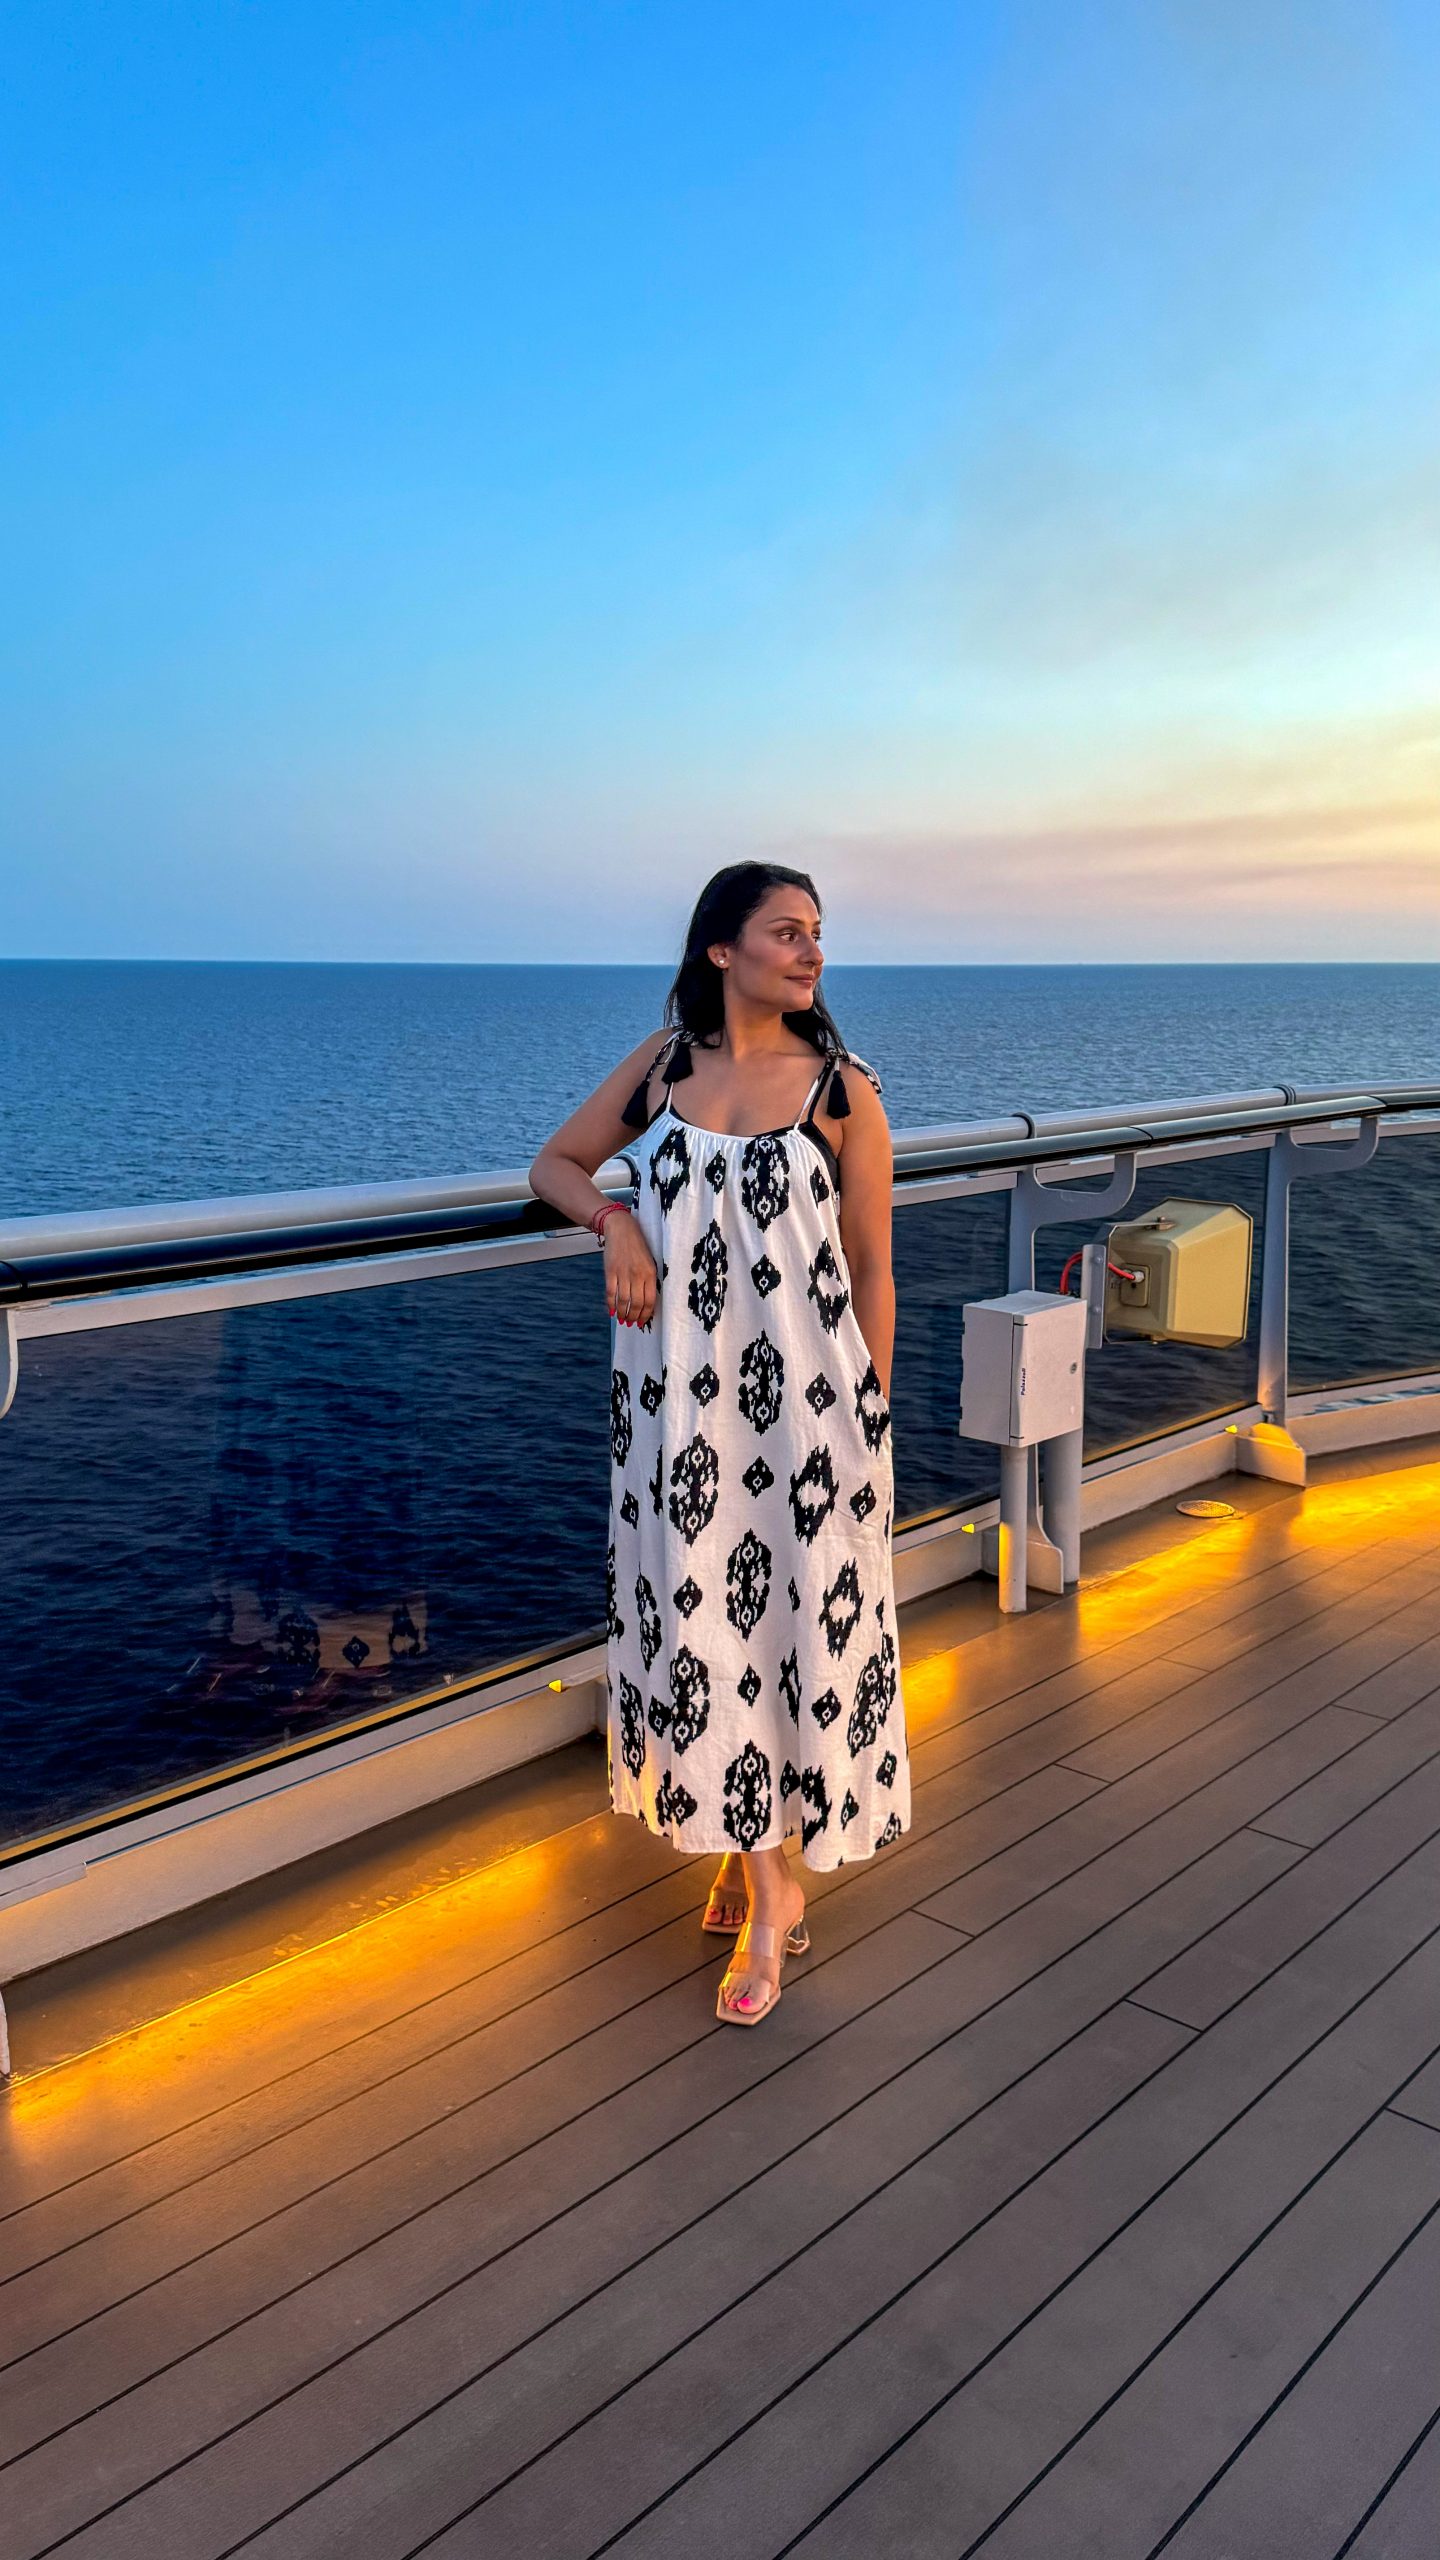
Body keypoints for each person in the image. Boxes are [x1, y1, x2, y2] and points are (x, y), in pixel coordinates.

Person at [528, 862, 909, 2025]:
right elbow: (553, 1164)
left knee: (794, 1633)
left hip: (813, 1422)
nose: (811, 953)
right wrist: (616, 1224)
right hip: (679, 1427)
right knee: (702, 1623)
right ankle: (763, 1867)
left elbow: (875, 1268)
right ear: (720, 951)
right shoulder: (661, 1070)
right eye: (786, 933)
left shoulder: (843, 1091)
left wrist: (873, 1421)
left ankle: (768, 1878)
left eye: (817, 935)